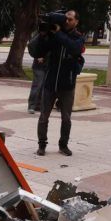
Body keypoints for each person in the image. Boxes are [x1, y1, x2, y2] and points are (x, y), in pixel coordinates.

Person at [28, 10, 85, 156]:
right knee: (43, 117)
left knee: (66, 118)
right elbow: (38, 52)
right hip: (50, 83)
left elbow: (74, 48)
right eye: (65, 18)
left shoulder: (78, 37)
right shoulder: (54, 35)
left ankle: (63, 145)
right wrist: (42, 36)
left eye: (70, 19)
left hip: (67, 84)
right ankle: (42, 145)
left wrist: (59, 33)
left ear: (76, 22)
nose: (67, 21)